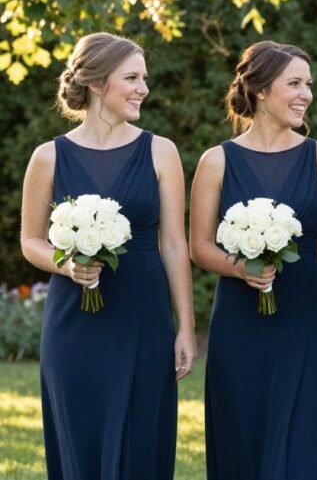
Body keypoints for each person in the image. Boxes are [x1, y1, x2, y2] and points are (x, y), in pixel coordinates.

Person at [20, 32, 195, 479]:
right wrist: (66, 263)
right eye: (132, 77)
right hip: (73, 323)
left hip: (142, 316)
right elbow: (31, 241)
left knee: (141, 438)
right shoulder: (47, 157)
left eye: (145, 78)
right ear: (97, 83)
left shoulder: (161, 151)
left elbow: (174, 244)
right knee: (80, 436)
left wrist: (186, 328)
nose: (144, 88)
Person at [190, 41, 317, 479]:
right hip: (239, 323)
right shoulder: (216, 161)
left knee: (301, 441)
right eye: (294, 83)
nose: (306, 94)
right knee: (239, 436)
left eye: (309, 85)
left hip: (305, 319)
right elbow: (199, 246)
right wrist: (239, 268)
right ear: (261, 90)